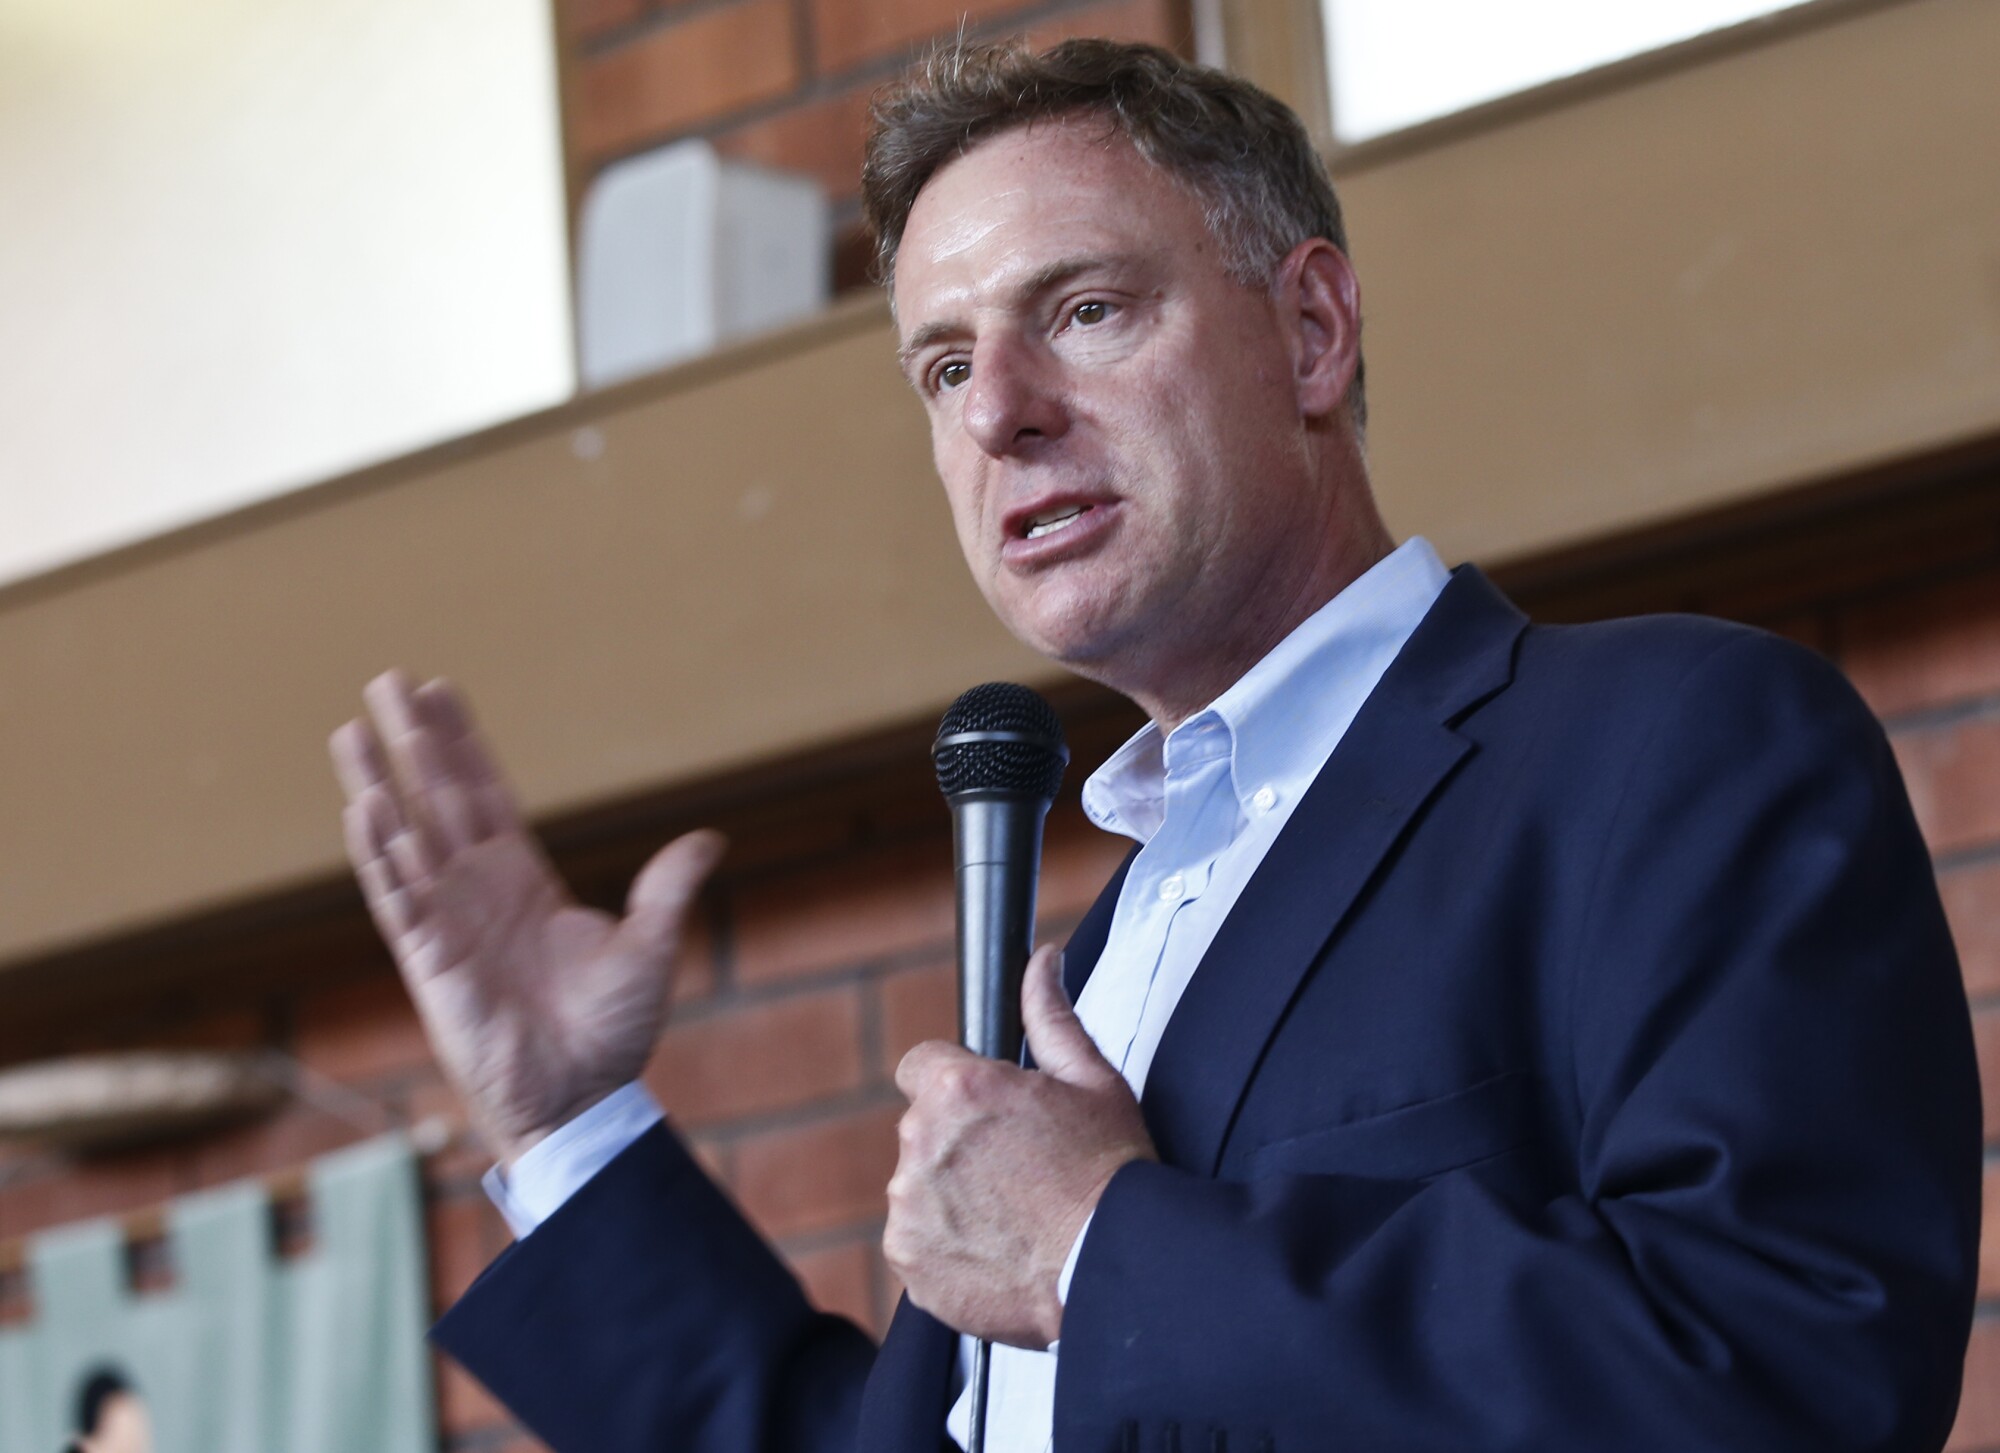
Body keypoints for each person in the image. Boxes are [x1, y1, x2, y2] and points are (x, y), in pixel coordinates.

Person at [329, 39, 1979, 1453]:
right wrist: (567, 1124)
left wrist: (1103, 1245)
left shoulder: (1663, 748)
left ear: (1314, 332)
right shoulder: (1108, 952)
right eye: (948, 363)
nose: (999, 412)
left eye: (1089, 309)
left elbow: (1780, 1371)